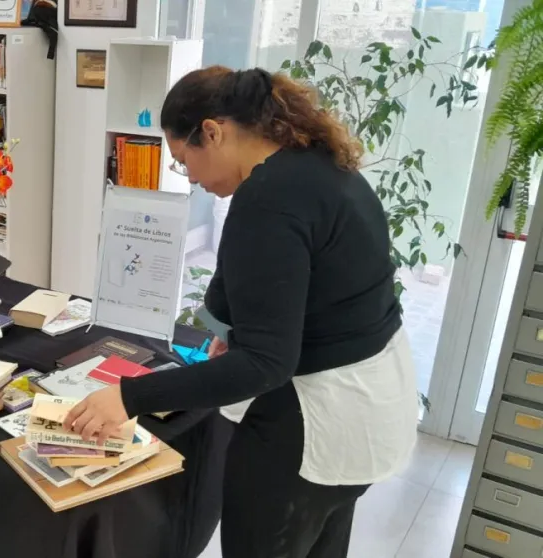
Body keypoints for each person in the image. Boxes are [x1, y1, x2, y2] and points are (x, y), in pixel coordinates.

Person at [64, 66, 417, 558]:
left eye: (184, 158)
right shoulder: (316, 165)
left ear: (213, 131)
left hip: (315, 420)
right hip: (373, 403)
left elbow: (266, 363)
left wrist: (128, 397)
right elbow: (306, 293)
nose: (188, 177)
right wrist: (244, 329)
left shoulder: (269, 200)